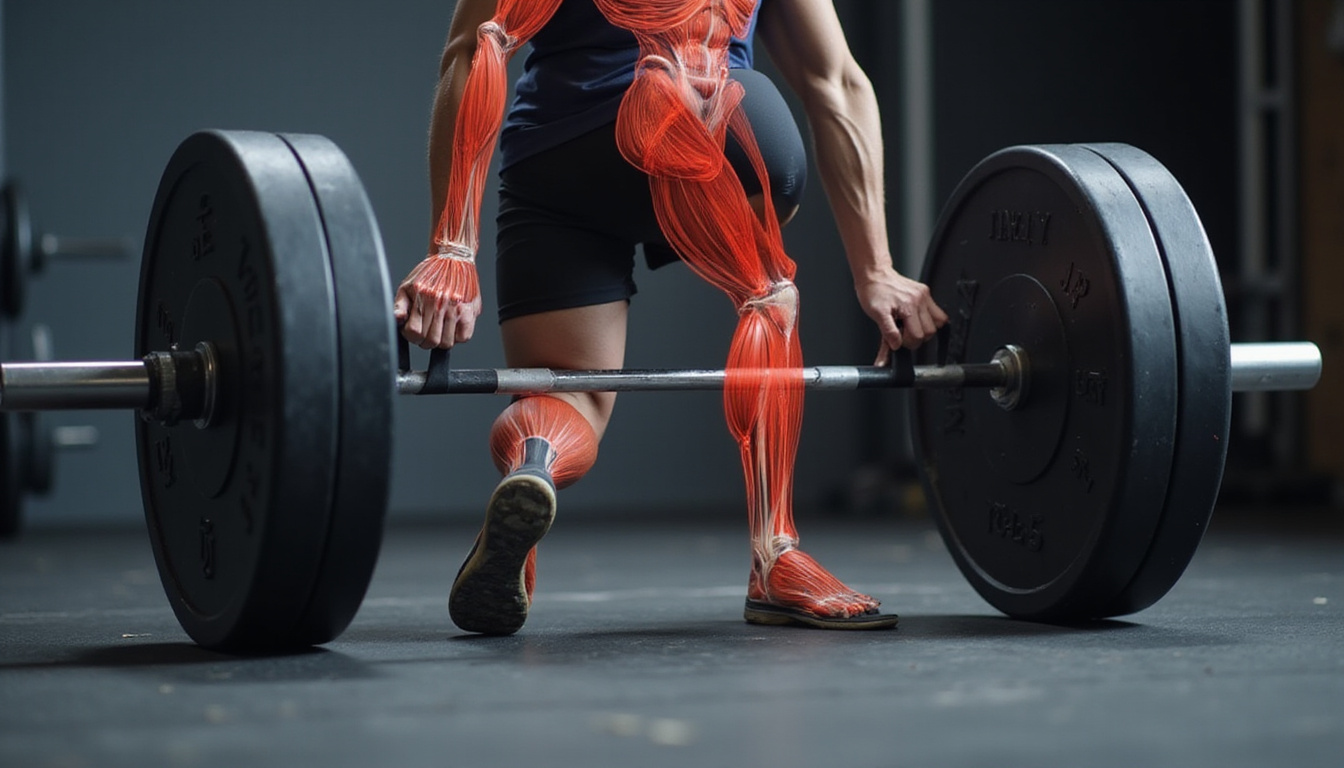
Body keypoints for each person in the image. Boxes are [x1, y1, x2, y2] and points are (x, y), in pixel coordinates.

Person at [394, 0, 948, 635]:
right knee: (767, 295)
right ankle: (775, 554)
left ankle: (535, 462)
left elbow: (477, 48)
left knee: (567, 387)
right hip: (710, 122)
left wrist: (452, 250)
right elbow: (836, 80)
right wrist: (874, 268)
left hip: (559, 162)